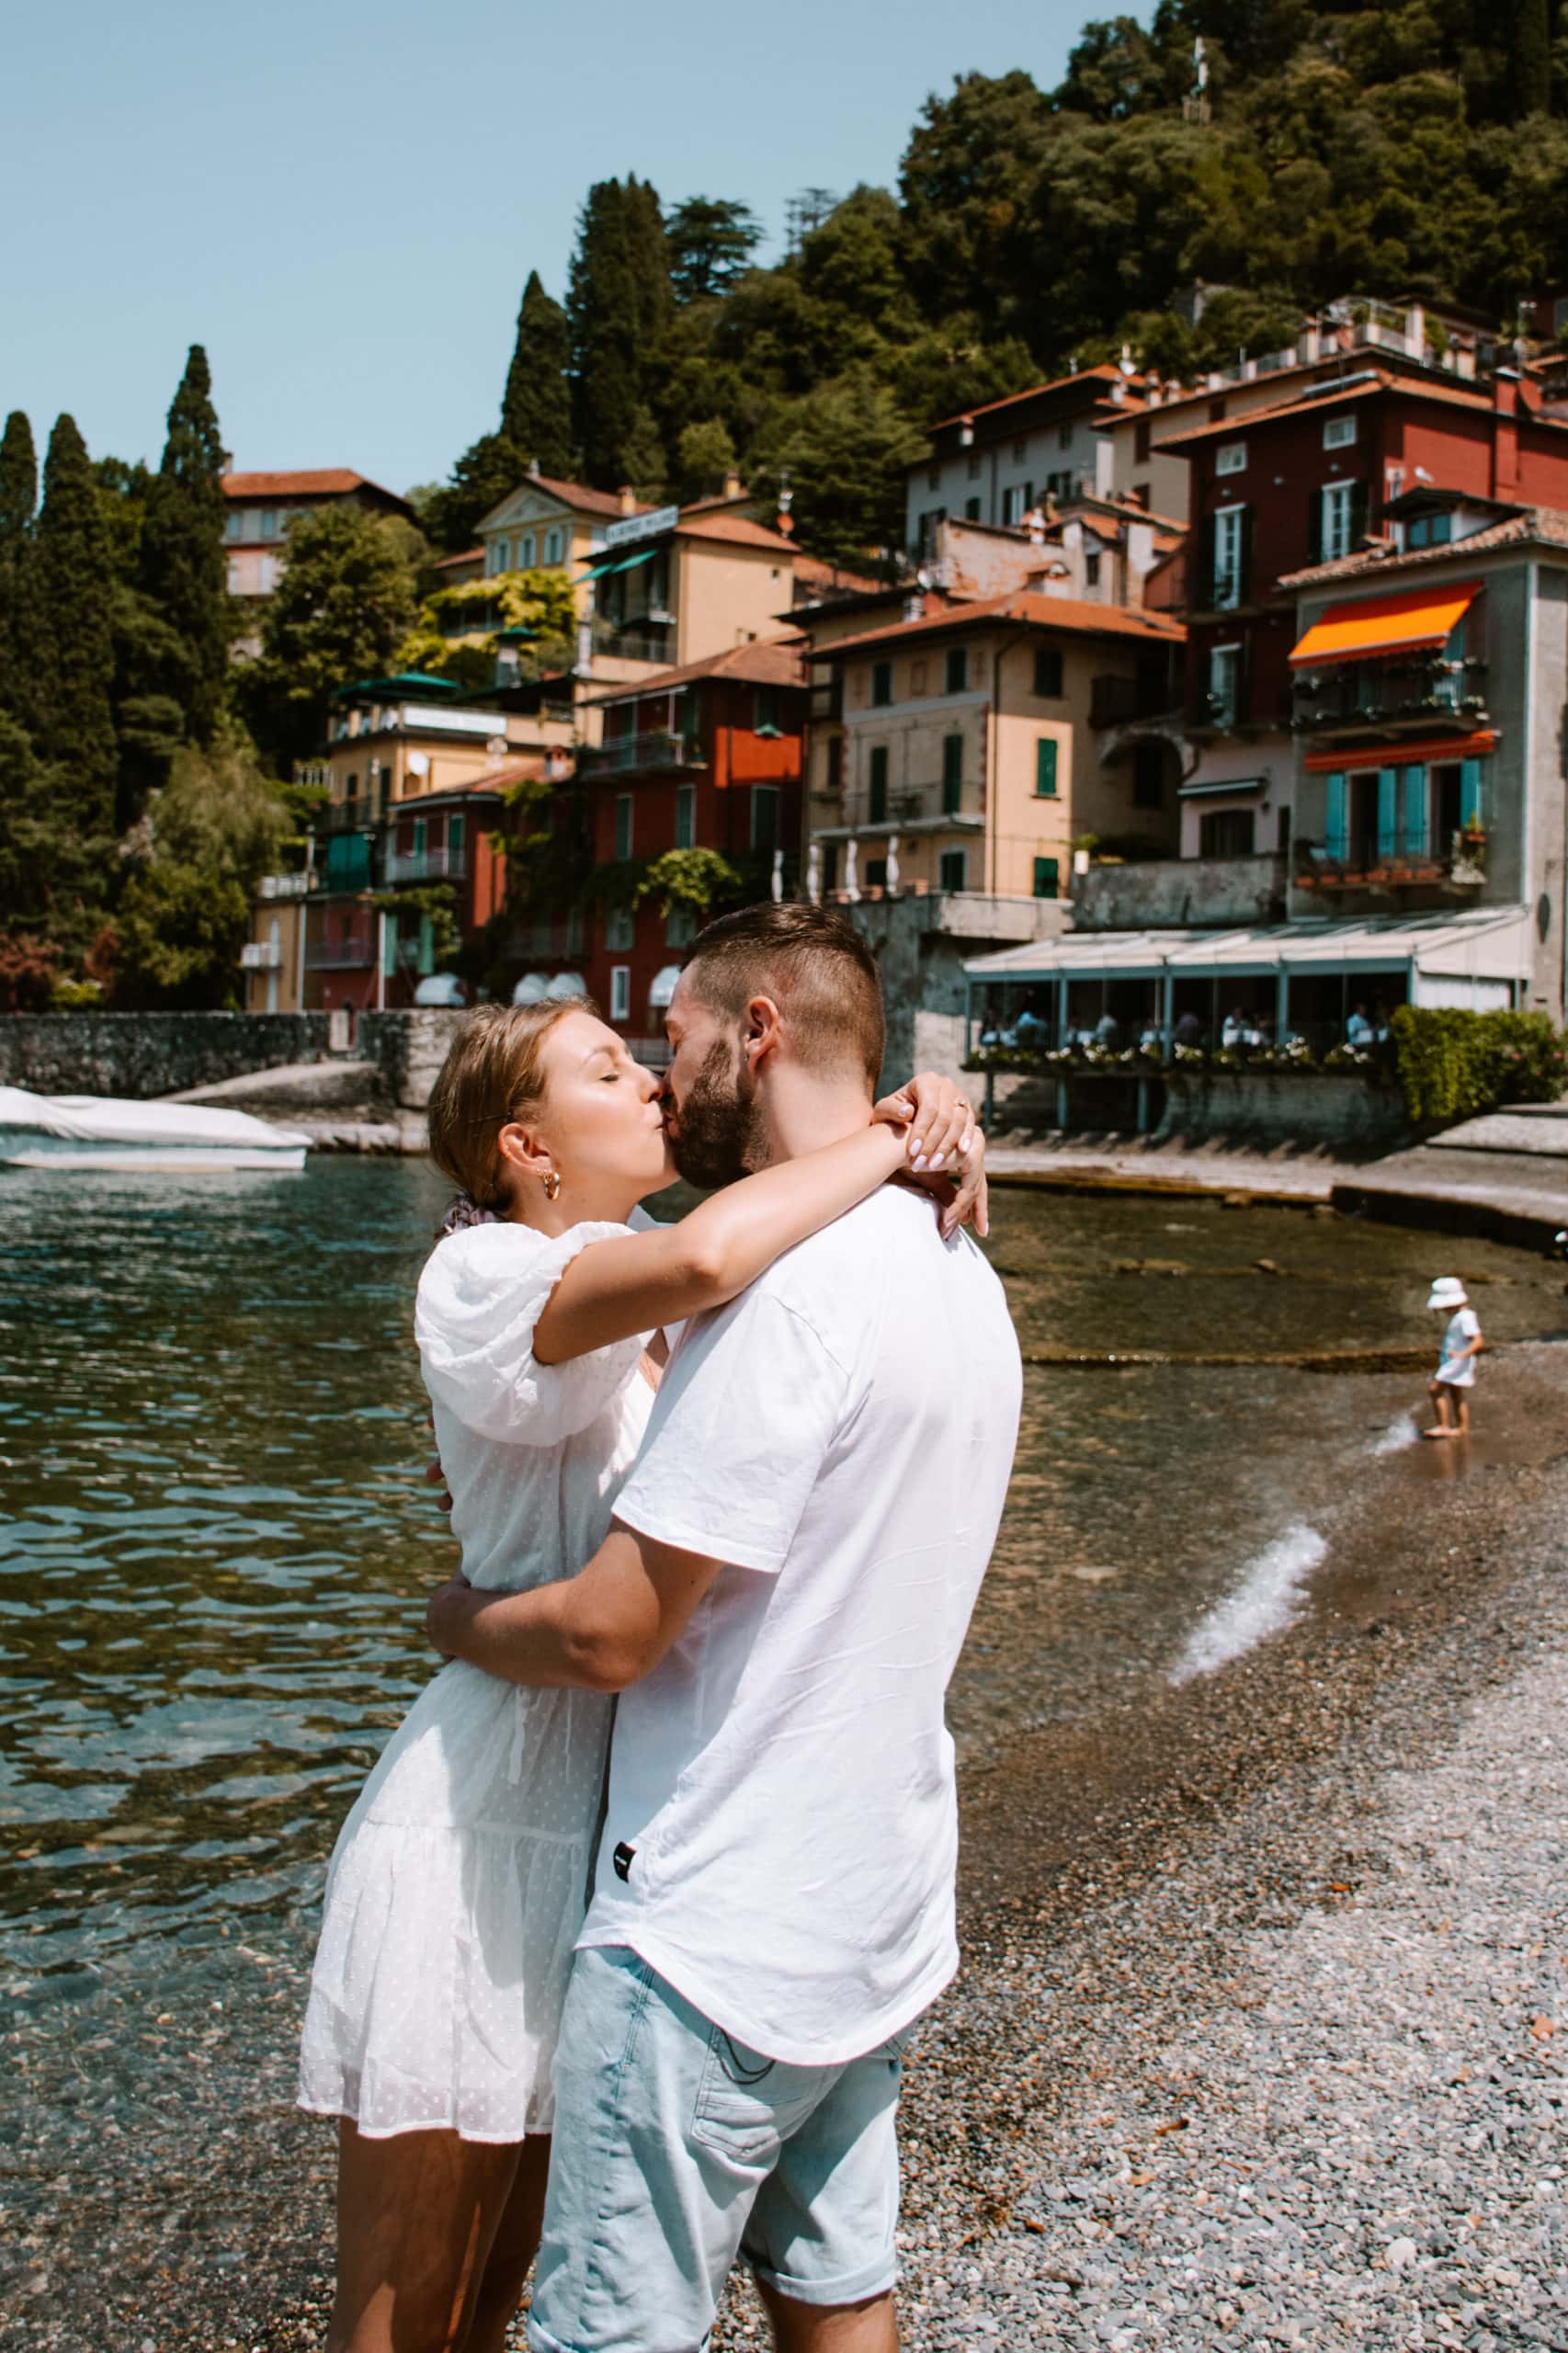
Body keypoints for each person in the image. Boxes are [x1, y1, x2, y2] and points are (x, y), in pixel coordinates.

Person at [300, 988, 985, 2353]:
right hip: (483, 1814)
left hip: (615, 1831)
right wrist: (889, 1132)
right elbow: (720, 1258)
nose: (650, 1084)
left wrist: (947, 1138)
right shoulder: (484, 1275)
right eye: (607, 1071)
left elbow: (776, 1265)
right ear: (527, 1148)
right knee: (402, 2311)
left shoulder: (630, 1254)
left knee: (505, 2292)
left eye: (641, 1056)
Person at [1425, 1274, 1483, 1439]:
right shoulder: (1461, 1316)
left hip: (1457, 1362)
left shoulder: (1465, 1317)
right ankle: (1462, 1428)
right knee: (1456, 1394)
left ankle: (1443, 1426)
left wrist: (1462, 1354)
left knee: (1435, 1390)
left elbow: (1478, 1340)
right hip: (1454, 1361)